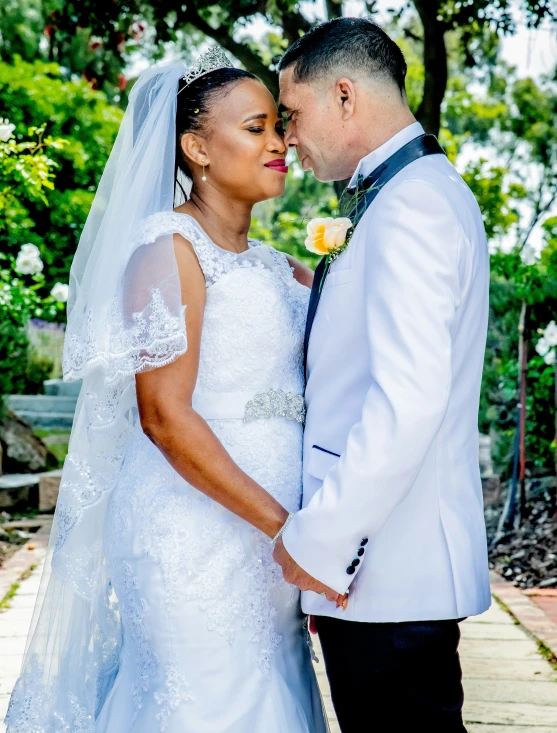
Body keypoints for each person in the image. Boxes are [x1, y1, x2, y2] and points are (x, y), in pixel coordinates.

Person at [5, 53, 333, 733]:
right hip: (190, 538)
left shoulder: (281, 269)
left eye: (279, 126)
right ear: (196, 148)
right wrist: (287, 526)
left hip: (270, 557)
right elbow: (163, 414)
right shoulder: (165, 249)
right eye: (256, 126)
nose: (279, 143)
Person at [273, 18, 491, 732]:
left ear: (343, 96)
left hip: (386, 574)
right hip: (387, 577)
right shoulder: (411, 193)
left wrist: (318, 541)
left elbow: (408, 399)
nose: (288, 138)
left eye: (293, 114)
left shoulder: (413, 206)